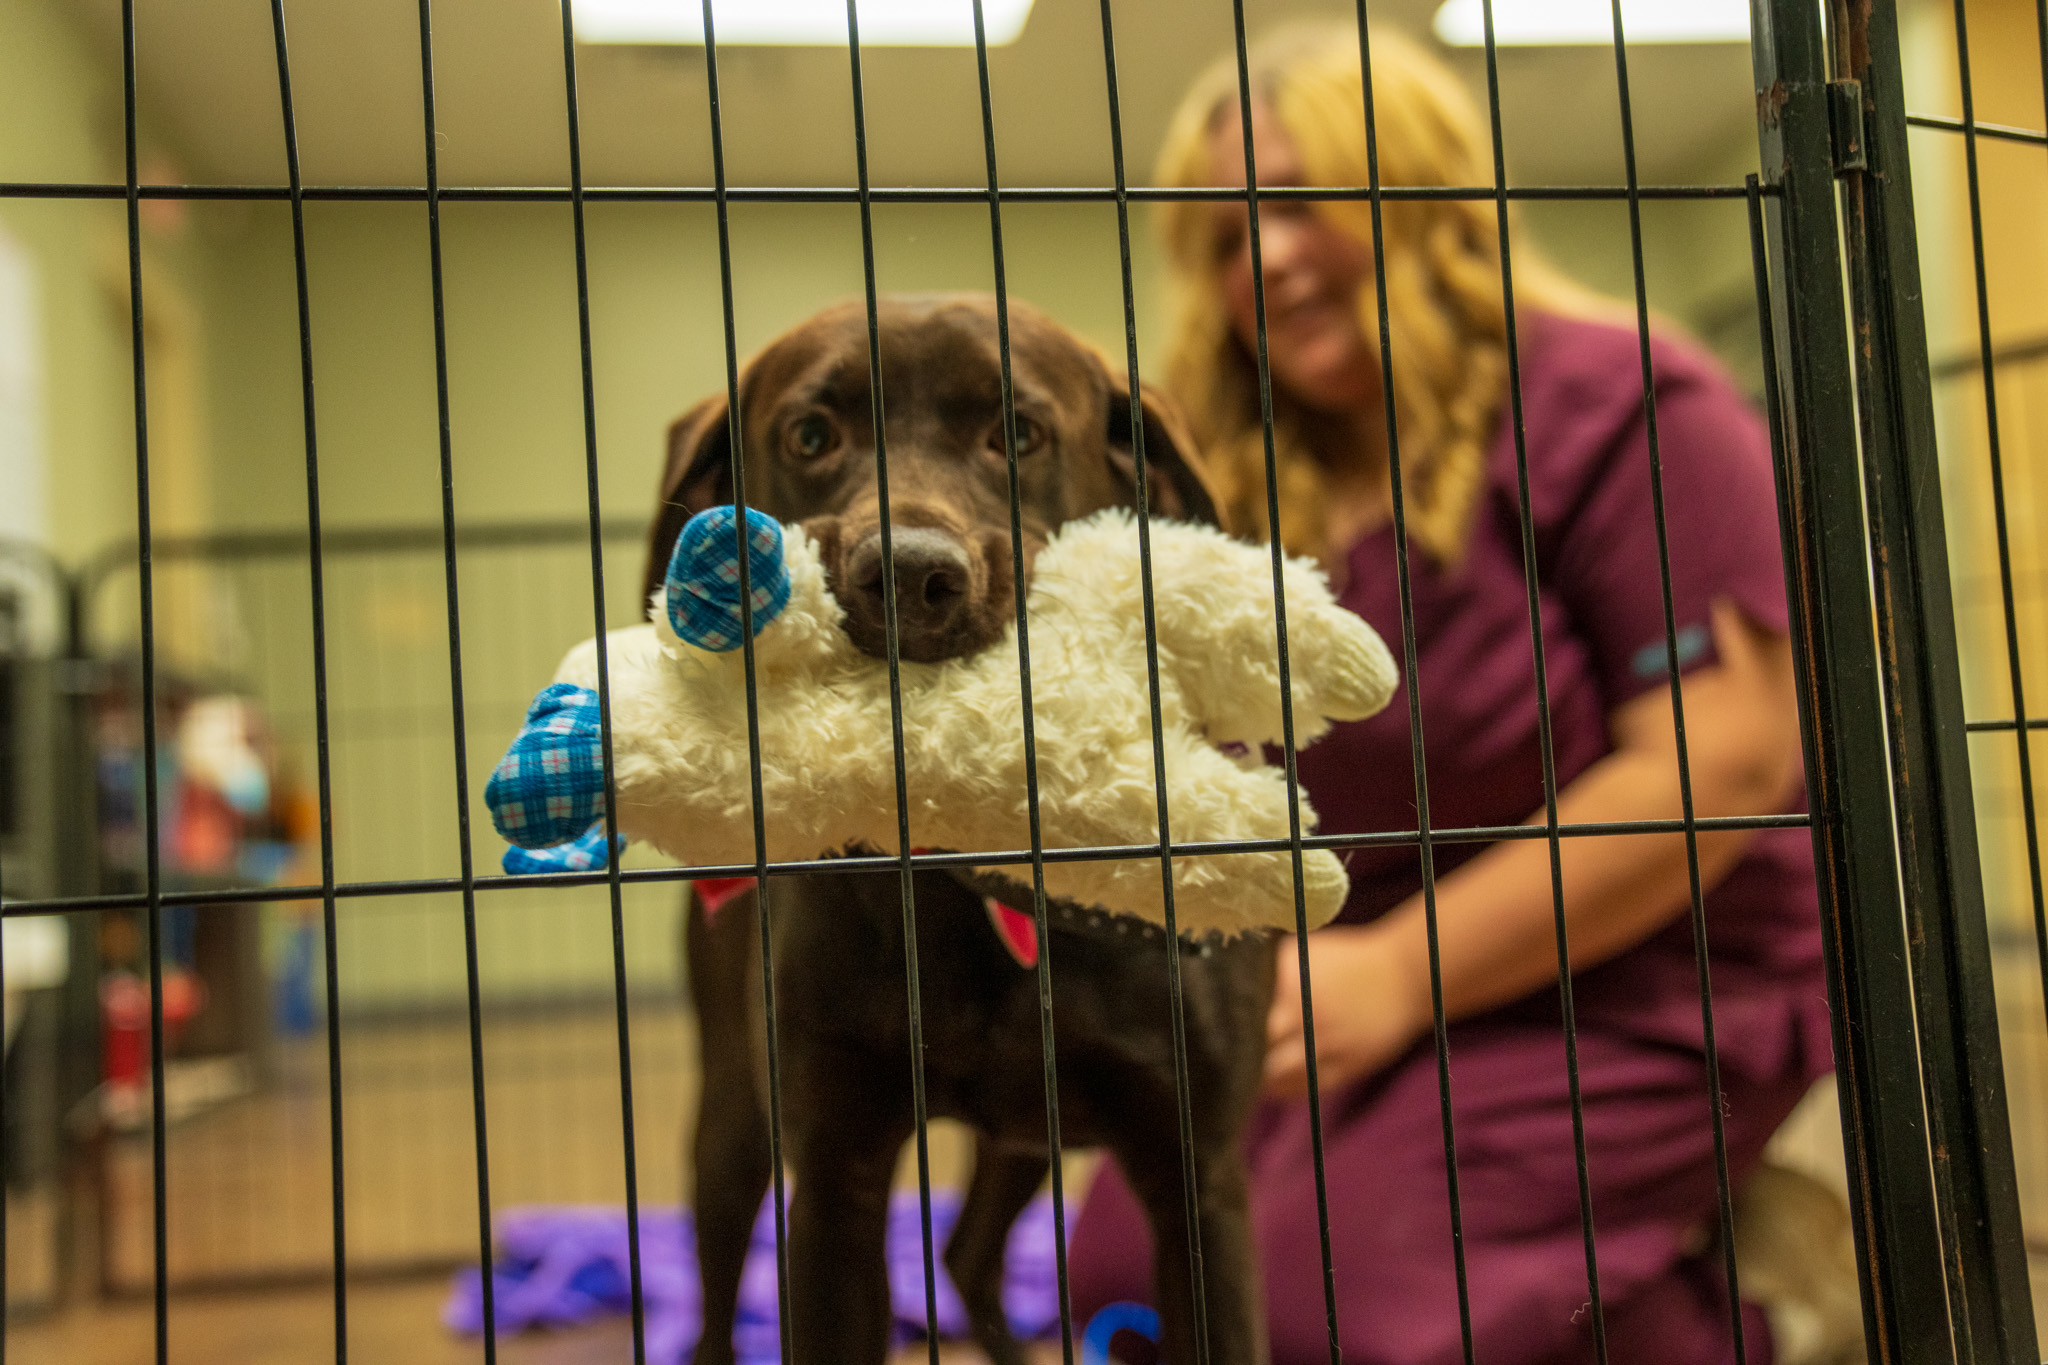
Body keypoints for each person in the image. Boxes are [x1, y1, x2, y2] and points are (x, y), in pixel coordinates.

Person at [1064, 23, 1834, 1365]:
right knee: (1126, 1274)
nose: (1268, 262)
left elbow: (1721, 768)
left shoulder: (1631, 403)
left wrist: (1403, 974)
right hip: (1357, 987)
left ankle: (1763, 1312)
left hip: (1640, 978)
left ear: (1421, 193)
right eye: (1229, 237)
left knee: (1327, 1318)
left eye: (1301, 202)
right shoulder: (1248, 475)